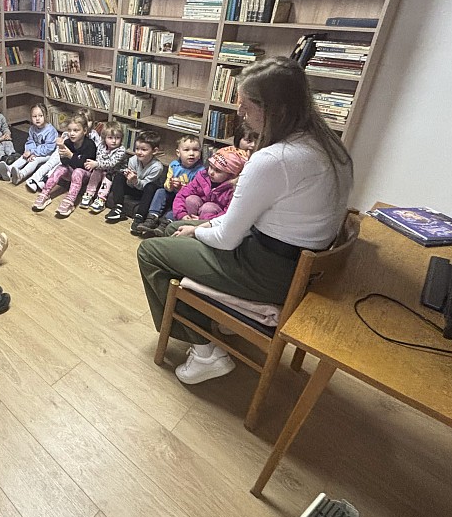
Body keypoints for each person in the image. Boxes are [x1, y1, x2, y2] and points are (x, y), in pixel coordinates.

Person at [137, 57, 353, 384]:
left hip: (268, 271)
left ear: (274, 110)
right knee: (172, 228)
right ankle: (210, 316)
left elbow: (227, 239)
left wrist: (198, 231)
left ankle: (206, 352)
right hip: (300, 265)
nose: (239, 113)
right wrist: (200, 228)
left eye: (246, 105)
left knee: (151, 252)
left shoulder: (274, 159)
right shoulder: (330, 145)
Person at [142, 146, 247, 238]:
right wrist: (182, 215)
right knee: (191, 199)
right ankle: (184, 227)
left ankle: (194, 234)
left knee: (208, 207)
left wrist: (202, 220)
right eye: (211, 167)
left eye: (218, 171)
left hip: (210, 224)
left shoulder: (233, 190)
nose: (211, 172)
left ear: (231, 174)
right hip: (191, 215)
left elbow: (227, 215)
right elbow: (182, 195)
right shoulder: (202, 177)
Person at [132, 135, 204, 235]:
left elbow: (197, 193)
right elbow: (166, 185)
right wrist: (170, 185)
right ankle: (152, 217)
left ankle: (166, 223)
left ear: (200, 154)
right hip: (172, 193)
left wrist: (181, 188)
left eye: (195, 150)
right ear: (178, 153)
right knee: (160, 191)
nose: (191, 153)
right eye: (186, 150)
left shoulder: (201, 171)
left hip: (185, 198)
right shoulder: (174, 165)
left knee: (182, 204)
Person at [31, 114, 98, 217]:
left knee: (77, 172)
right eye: (69, 130)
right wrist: (62, 150)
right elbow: (64, 162)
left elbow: (84, 166)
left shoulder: (90, 145)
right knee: (60, 168)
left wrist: (70, 155)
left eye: (76, 130)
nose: (72, 133)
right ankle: (45, 193)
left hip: (85, 176)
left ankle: (70, 200)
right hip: (71, 172)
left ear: (84, 131)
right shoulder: (67, 142)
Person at [103, 130, 165, 232]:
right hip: (133, 186)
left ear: (154, 151)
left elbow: (144, 186)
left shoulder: (157, 167)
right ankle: (118, 207)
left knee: (151, 187)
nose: (139, 152)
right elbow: (129, 183)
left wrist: (135, 181)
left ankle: (139, 217)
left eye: (144, 150)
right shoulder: (133, 160)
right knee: (119, 176)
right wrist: (129, 179)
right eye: (137, 149)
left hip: (145, 192)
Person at [0, 103, 57, 184]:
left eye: (40, 116)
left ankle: (21, 175)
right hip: (35, 151)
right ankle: (9, 169)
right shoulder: (32, 128)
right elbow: (30, 141)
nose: (37, 119)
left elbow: (48, 148)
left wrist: (33, 153)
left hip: (47, 154)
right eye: (34, 116)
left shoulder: (50, 130)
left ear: (46, 116)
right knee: (24, 157)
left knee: (34, 160)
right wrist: (28, 151)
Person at [81, 122, 126, 212]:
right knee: (96, 172)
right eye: (110, 138)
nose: (114, 141)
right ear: (104, 138)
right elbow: (99, 158)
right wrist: (93, 165)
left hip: (114, 173)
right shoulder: (101, 146)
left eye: (117, 138)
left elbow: (111, 163)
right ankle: (89, 193)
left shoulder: (121, 150)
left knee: (107, 176)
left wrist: (97, 164)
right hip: (102, 169)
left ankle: (101, 199)